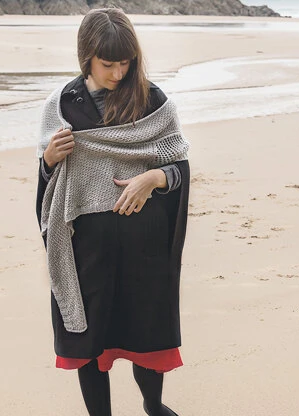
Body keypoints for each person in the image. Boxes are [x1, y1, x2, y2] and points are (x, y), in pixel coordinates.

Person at [35, 8, 190, 416]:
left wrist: (152, 178)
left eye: (125, 63)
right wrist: (49, 160)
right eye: (108, 64)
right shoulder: (62, 105)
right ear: (86, 56)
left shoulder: (153, 101)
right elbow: (49, 187)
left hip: (144, 250)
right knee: (91, 343)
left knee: (147, 337)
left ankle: (153, 406)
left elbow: (179, 167)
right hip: (89, 253)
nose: (119, 73)